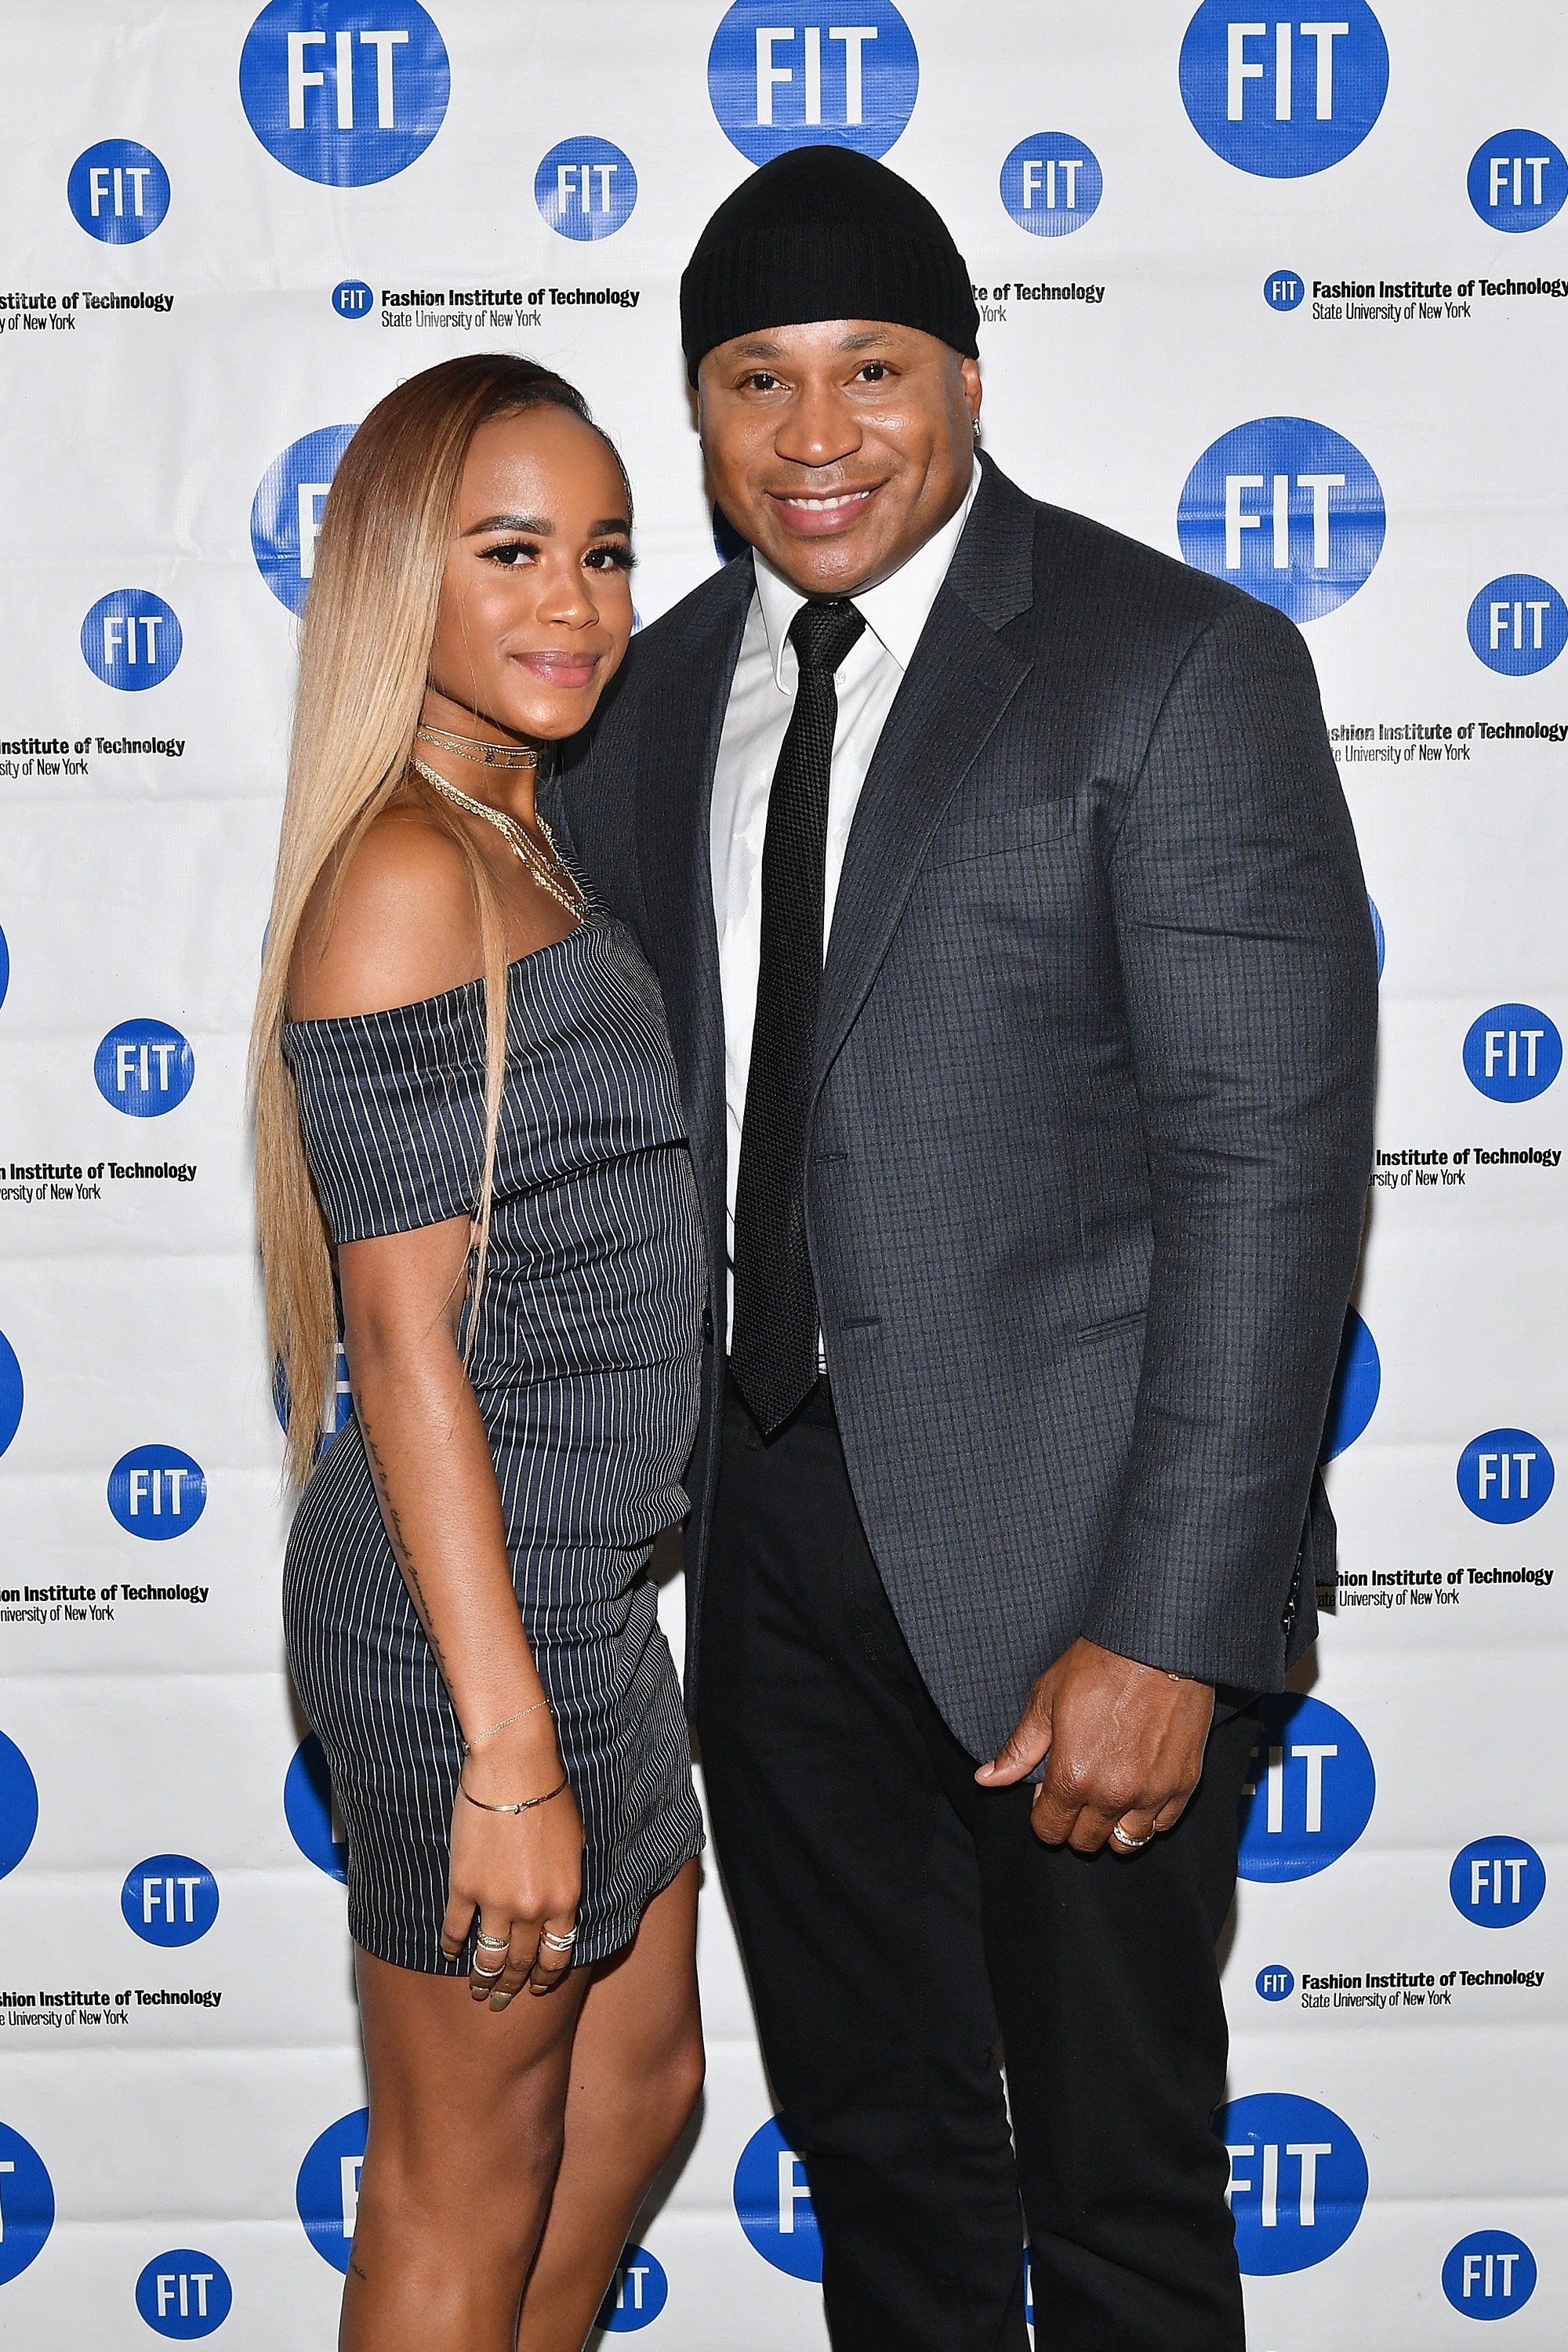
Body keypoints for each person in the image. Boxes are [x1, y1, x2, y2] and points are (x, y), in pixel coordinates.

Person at [554, 147, 1378, 2350]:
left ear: (971, 380)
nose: (816, 435)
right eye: (756, 381)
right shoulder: (642, 703)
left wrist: (1168, 1628)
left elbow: (1268, 1174)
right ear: (701, 417)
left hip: (1078, 1570)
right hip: (761, 1559)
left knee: (1115, 2201)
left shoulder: (1174, 665)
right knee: (885, 2179)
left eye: (872, 370)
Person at [249, 354, 706, 2352]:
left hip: (580, 1600)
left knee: (634, 2097)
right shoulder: (407, 874)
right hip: (465, 1630)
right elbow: (400, 1346)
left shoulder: (526, 832)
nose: (577, 603)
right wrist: (504, 1752)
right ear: (392, 579)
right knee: (460, 2190)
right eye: (511, 550)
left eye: (604, 553)